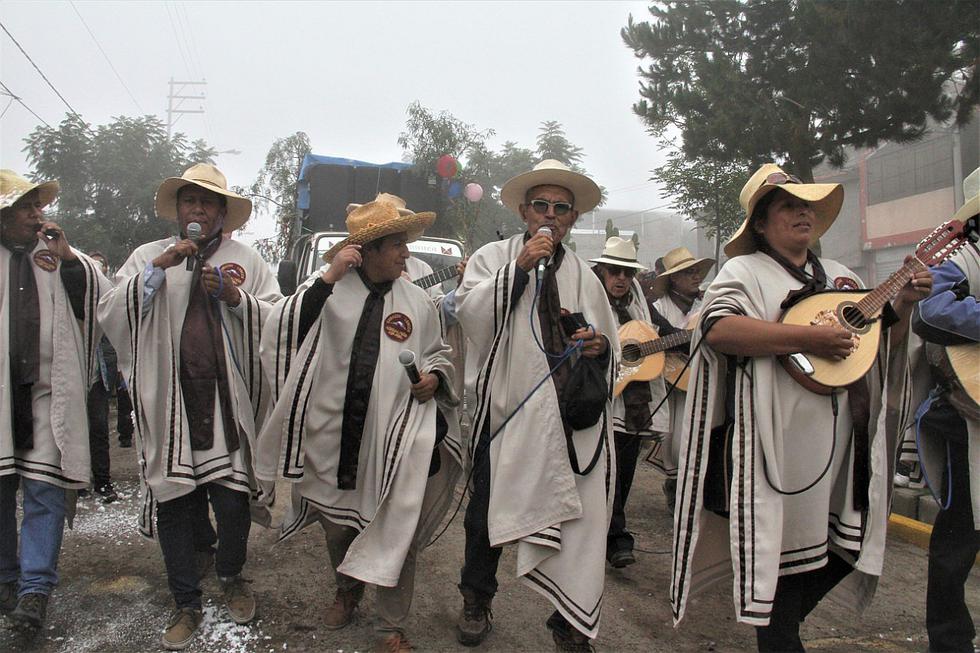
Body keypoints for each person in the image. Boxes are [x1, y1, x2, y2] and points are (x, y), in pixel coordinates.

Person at [669, 164, 931, 652]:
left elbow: (874, 347)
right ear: (762, 224)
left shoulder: (842, 277)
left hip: (838, 453)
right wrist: (807, 338)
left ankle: (783, 628)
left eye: (806, 205)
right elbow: (718, 331)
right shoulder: (744, 272)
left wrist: (906, 306)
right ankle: (782, 634)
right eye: (788, 205)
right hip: (775, 448)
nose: (801, 213)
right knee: (776, 558)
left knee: (847, 548)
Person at [256, 197, 460, 653]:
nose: (406, 254)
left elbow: (440, 353)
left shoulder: (418, 301)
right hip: (330, 438)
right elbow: (282, 332)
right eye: (395, 245)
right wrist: (327, 278)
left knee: (396, 528)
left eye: (405, 243)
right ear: (364, 250)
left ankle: (389, 624)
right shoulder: (327, 291)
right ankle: (346, 591)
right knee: (338, 528)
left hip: (393, 443)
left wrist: (435, 378)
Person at [98, 163, 281, 650]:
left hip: (226, 404)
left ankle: (231, 576)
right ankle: (186, 602)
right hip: (170, 406)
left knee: (232, 500)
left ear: (223, 212)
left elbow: (277, 319)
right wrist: (160, 269)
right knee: (175, 503)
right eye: (189, 201)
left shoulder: (247, 258)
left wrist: (235, 296)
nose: (197, 209)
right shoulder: (148, 256)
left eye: (207, 202)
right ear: (178, 210)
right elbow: (113, 313)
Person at [453, 160, 618, 651]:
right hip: (506, 412)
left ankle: (567, 618)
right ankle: (476, 597)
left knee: (577, 517)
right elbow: (470, 315)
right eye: (541, 205)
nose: (550, 214)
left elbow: (610, 341)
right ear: (524, 211)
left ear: (571, 217)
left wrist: (597, 346)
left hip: (565, 418)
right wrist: (519, 268)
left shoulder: (586, 276)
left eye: (560, 207)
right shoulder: (491, 258)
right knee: (484, 514)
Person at [0, 169, 110, 633]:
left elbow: (103, 299)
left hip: (48, 394)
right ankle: (7, 577)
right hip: (1, 397)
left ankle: (35, 590)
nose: (36, 214)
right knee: (1, 492)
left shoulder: (59, 255)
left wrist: (67, 258)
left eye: (37, 205)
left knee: (44, 491)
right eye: (25, 207)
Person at [911, 167, 978, 653]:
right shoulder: (961, 258)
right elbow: (931, 311)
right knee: (957, 543)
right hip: (966, 423)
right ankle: (950, 642)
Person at [589, 237, 671, 569]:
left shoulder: (639, 301)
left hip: (633, 405)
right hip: (601, 400)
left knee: (623, 474)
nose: (621, 279)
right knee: (605, 473)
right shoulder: (589, 299)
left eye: (626, 272)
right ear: (603, 272)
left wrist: (693, 335)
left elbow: (662, 331)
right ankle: (616, 539)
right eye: (614, 272)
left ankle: (609, 535)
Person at [648, 246, 715, 511]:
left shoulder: (707, 305)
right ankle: (674, 485)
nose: (696, 276)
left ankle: (694, 492)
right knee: (671, 438)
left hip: (701, 378)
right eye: (689, 272)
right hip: (668, 380)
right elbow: (650, 341)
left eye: (697, 271)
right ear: (673, 278)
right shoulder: (657, 308)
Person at [84, 252, 120, 504]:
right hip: (75, 377)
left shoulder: (108, 299)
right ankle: (77, 481)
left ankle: (103, 481)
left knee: (98, 429)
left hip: (99, 376)